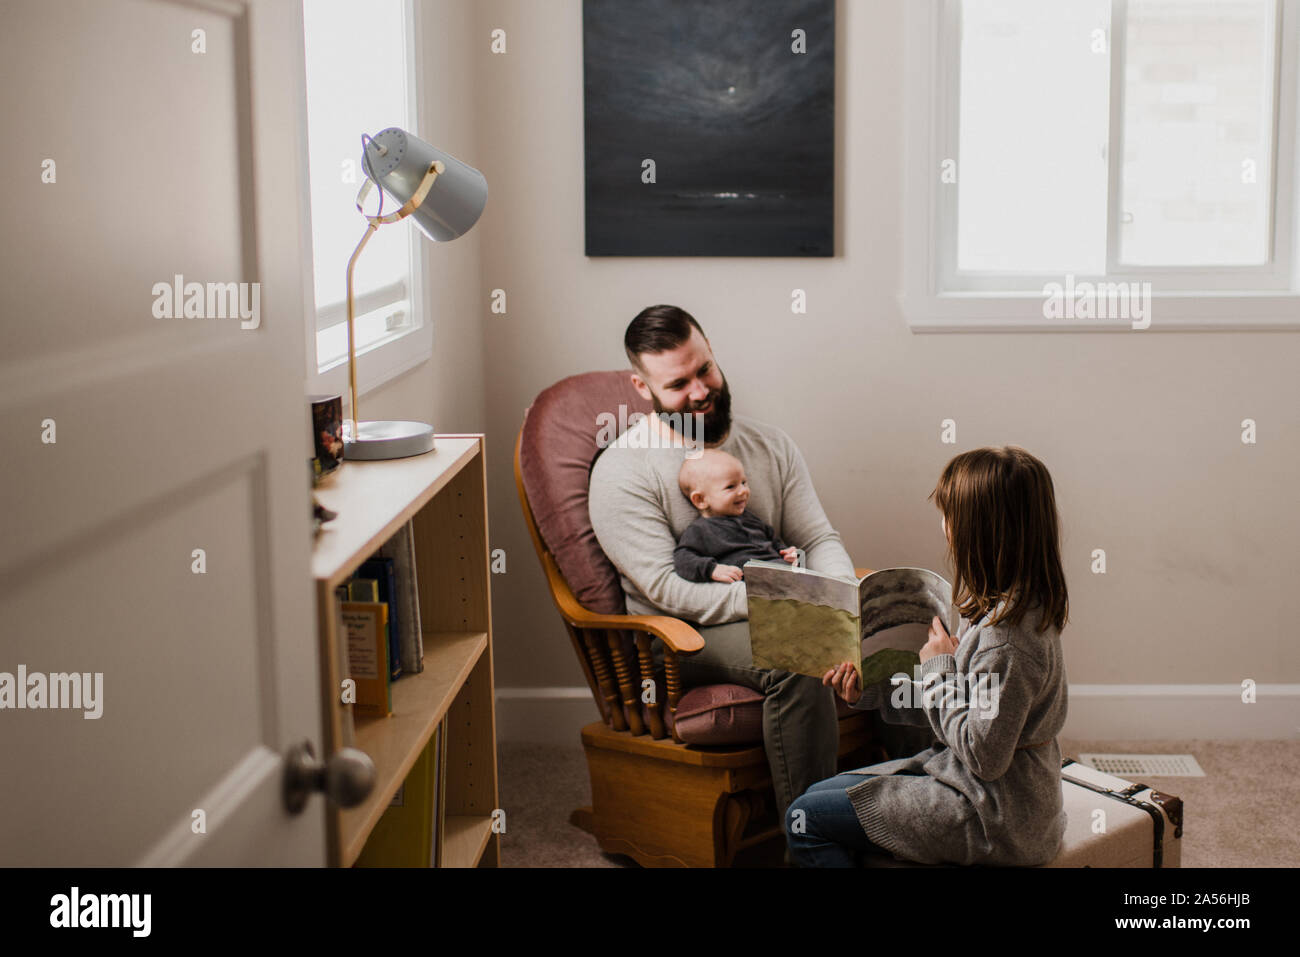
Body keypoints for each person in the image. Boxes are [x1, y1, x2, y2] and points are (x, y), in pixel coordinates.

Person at [587, 304, 853, 821]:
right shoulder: (623, 470)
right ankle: (812, 846)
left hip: (788, 604)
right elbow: (668, 588)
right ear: (643, 389)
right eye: (678, 383)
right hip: (683, 636)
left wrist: (840, 596)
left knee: (905, 639)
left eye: (704, 369)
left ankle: (914, 825)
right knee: (798, 661)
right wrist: (792, 602)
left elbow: (817, 536)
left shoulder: (770, 445)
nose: (700, 391)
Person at [785, 446, 1070, 867]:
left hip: (994, 818)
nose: (944, 526)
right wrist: (868, 692)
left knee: (803, 818)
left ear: (981, 531)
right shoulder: (1011, 606)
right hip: (987, 796)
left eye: (949, 515)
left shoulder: (1006, 642)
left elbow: (983, 756)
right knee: (815, 799)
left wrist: (939, 667)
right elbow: (966, 710)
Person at [673, 448, 801, 584]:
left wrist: (787, 553)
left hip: (784, 575)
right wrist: (712, 569)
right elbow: (682, 559)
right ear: (701, 500)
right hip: (756, 583)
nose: (743, 491)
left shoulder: (751, 519)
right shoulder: (701, 530)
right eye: (730, 487)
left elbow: (774, 542)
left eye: (744, 482)